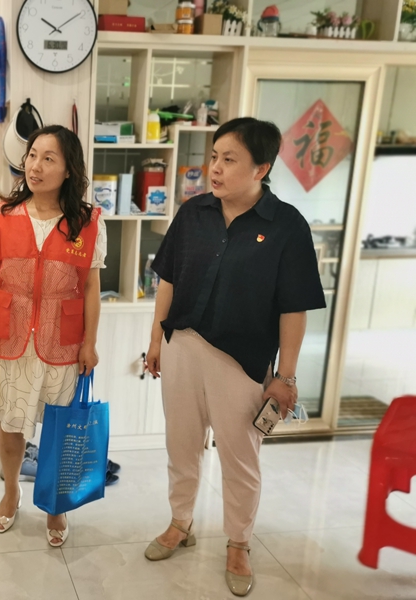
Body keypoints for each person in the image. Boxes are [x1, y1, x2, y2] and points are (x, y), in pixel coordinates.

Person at [143, 117, 325, 596]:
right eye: (214, 157)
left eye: (229, 159)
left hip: (241, 360)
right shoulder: (193, 212)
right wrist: (156, 340)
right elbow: (168, 279)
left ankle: (239, 542)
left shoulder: (286, 226)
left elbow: (294, 308)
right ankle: (180, 522)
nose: (215, 169)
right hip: (182, 346)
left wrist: (285, 376)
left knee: (240, 457)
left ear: (261, 169)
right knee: (181, 444)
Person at [0, 125, 106, 547]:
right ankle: (11, 491)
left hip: (63, 341)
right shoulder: (0, 214)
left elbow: (90, 286)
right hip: (9, 336)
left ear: (68, 170)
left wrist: (89, 343)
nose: (36, 166)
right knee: (10, 425)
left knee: (58, 429)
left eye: (49, 158)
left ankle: (55, 504)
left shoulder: (88, 222)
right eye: (32, 155)